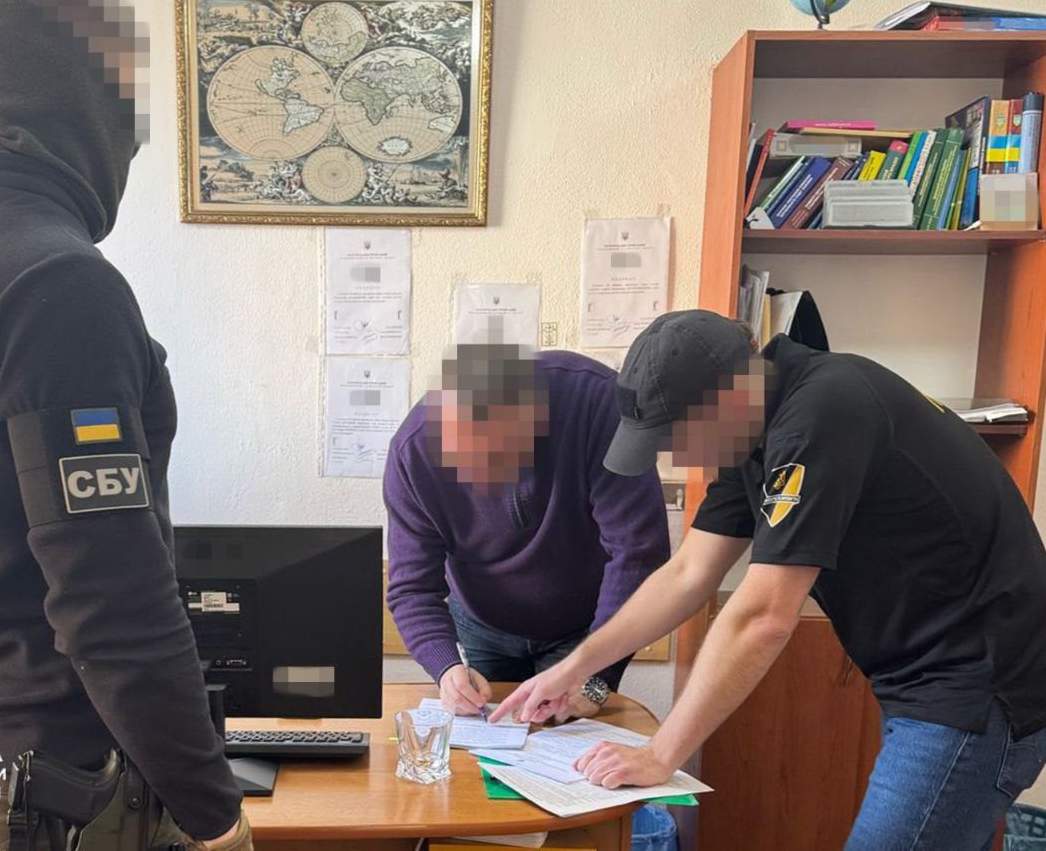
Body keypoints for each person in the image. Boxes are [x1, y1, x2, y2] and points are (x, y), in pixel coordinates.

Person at [0, 0, 250, 848]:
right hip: (45, 790)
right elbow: (111, 596)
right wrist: (216, 816)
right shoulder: (57, 282)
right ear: (83, 102)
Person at [493, 310, 1046, 850]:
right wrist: (573, 668)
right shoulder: (752, 433)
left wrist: (661, 754)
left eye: (676, 437)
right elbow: (688, 574)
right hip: (924, 675)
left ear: (731, 396)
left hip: (981, 680)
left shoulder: (823, 412)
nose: (673, 456)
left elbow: (763, 616)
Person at [385, 344, 669, 721]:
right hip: (482, 623)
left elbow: (639, 552)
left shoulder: (595, 404)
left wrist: (598, 676)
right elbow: (412, 588)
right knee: (487, 742)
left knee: (570, 743)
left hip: (589, 628)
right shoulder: (413, 454)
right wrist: (447, 668)